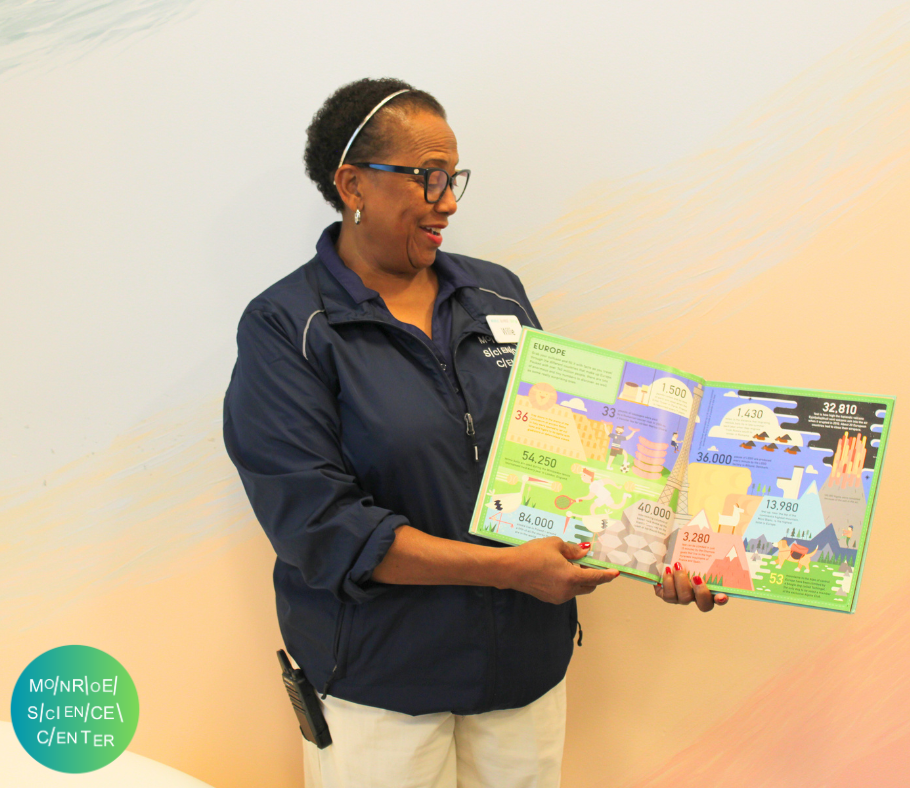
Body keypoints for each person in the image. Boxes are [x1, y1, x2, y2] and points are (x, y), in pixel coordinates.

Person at [222, 77, 727, 788]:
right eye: (428, 177)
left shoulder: (497, 295)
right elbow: (321, 527)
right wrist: (506, 570)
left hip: (523, 670)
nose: (449, 202)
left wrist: (667, 545)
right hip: (381, 685)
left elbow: (574, 464)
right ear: (352, 183)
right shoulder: (287, 327)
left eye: (452, 178)